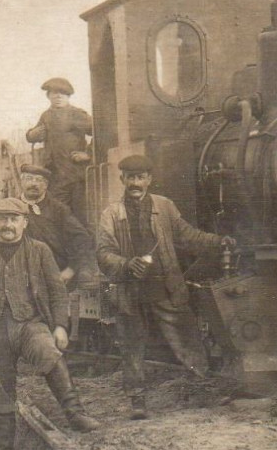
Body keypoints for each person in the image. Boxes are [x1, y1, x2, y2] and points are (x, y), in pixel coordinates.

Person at [0, 198, 100, 450]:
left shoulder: (39, 251)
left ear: (24, 222)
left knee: (50, 353)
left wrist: (60, 325)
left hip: (30, 323)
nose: (8, 225)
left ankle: (75, 414)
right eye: (2, 219)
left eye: (13, 219)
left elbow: (58, 292)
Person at [95, 154, 233, 419]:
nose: (135, 183)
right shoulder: (111, 214)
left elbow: (187, 235)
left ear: (149, 179)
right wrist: (126, 264)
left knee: (186, 337)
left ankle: (202, 390)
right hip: (130, 289)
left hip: (165, 285)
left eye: (140, 177)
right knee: (132, 344)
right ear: (122, 179)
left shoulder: (165, 206)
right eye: (130, 178)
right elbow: (103, 253)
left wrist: (218, 241)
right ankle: (137, 401)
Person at [26, 77, 94, 223]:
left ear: (68, 96)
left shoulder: (76, 114)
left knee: (79, 218)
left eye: (62, 94)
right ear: (48, 96)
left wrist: (89, 154)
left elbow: (101, 130)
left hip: (76, 177)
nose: (58, 96)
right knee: (56, 217)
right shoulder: (46, 116)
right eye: (54, 93)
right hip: (55, 177)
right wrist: (31, 134)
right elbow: (34, 134)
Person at [17, 162, 93, 286]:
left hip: (55, 276)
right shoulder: (11, 208)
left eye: (39, 180)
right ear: (21, 182)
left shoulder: (59, 209)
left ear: (46, 185)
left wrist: (71, 269)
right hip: (21, 278)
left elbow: (82, 238)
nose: (33, 184)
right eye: (29, 179)